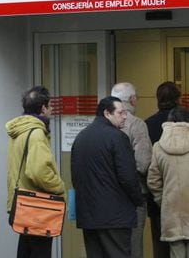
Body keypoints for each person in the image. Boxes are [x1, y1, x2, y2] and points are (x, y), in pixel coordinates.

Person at [71, 96, 144, 258]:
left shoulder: (80, 138)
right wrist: (138, 199)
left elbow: (75, 177)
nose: (125, 116)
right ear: (107, 113)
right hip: (115, 217)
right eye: (120, 112)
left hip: (88, 216)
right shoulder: (118, 138)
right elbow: (128, 177)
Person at [6, 86, 66, 258]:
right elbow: (38, 171)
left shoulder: (20, 130)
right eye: (50, 106)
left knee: (26, 251)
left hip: (24, 204)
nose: (52, 110)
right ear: (43, 108)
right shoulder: (37, 133)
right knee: (40, 252)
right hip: (38, 207)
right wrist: (59, 185)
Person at [111, 82, 152, 258]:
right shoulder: (137, 125)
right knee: (133, 246)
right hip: (134, 195)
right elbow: (143, 164)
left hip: (110, 195)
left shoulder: (104, 124)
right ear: (132, 100)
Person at [147, 107, 189, 258]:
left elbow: (153, 180)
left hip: (171, 210)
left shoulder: (158, 147)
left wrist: (162, 200)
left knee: (175, 253)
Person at [145, 81, 181, 258]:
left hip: (159, 201)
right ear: (178, 99)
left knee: (161, 247)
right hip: (186, 199)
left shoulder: (148, 125)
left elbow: (147, 166)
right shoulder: (187, 120)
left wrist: (159, 198)